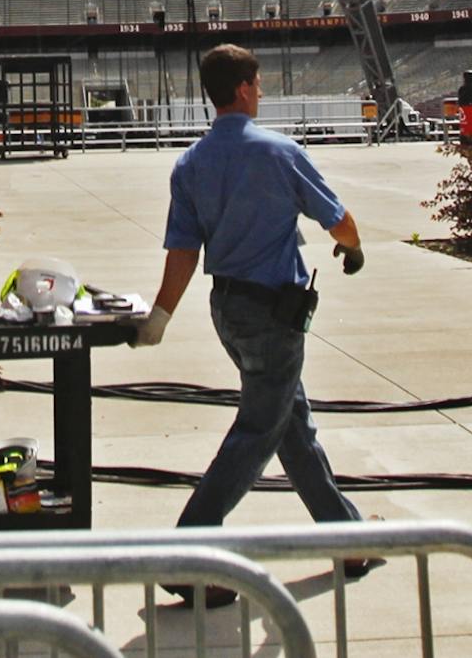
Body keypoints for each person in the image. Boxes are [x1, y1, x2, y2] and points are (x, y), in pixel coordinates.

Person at [133, 43, 374, 605]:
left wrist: (161, 315)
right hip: (274, 312)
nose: (261, 92)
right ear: (242, 88)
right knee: (258, 433)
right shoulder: (279, 152)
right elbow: (338, 219)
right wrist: (355, 251)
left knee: (292, 424)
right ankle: (187, 553)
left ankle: (349, 539)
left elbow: (183, 251)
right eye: (258, 84)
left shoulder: (190, 163)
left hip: (229, 311)